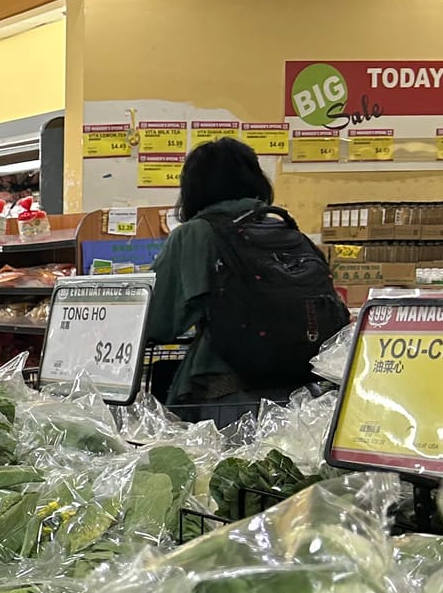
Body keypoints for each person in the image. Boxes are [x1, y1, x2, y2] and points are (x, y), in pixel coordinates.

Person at [145, 135, 347, 426]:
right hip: (303, 395)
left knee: (223, 470)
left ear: (192, 188)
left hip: (230, 394)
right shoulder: (287, 231)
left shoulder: (196, 234)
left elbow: (157, 321)